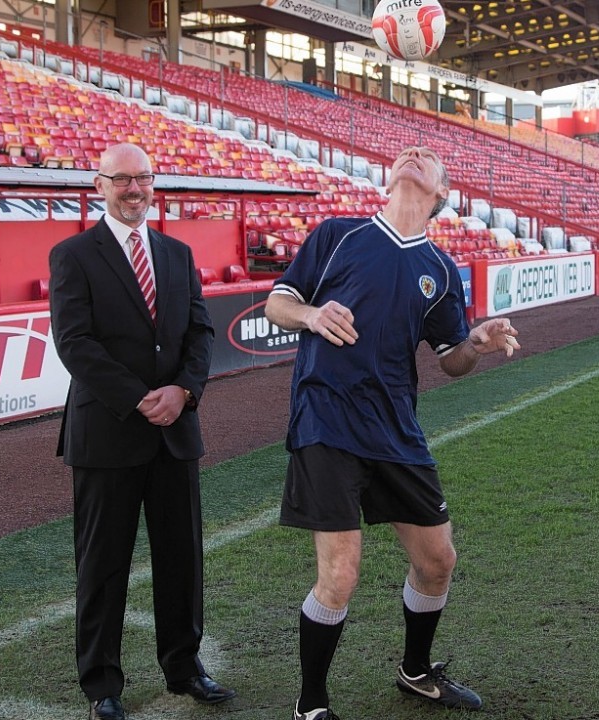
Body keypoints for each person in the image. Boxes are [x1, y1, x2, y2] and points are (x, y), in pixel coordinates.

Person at [265, 146, 521, 720]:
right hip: (326, 420)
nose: (414, 156)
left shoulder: (439, 269)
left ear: (441, 195)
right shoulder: (338, 235)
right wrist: (309, 315)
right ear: (388, 177)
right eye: (407, 153)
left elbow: (451, 359)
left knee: (438, 560)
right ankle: (310, 707)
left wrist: (474, 344)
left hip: (396, 430)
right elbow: (278, 302)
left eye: (428, 157)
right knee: (340, 574)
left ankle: (416, 671)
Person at [49, 143, 235, 720]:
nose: (134, 189)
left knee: (182, 559)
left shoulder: (177, 254)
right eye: (122, 179)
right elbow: (74, 342)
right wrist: (139, 398)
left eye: (144, 179)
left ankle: (184, 667)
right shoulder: (73, 254)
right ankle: (101, 683)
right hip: (108, 433)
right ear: (98, 186)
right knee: (103, 563)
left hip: (175, 429)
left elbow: (201, 334)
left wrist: (183, 391)